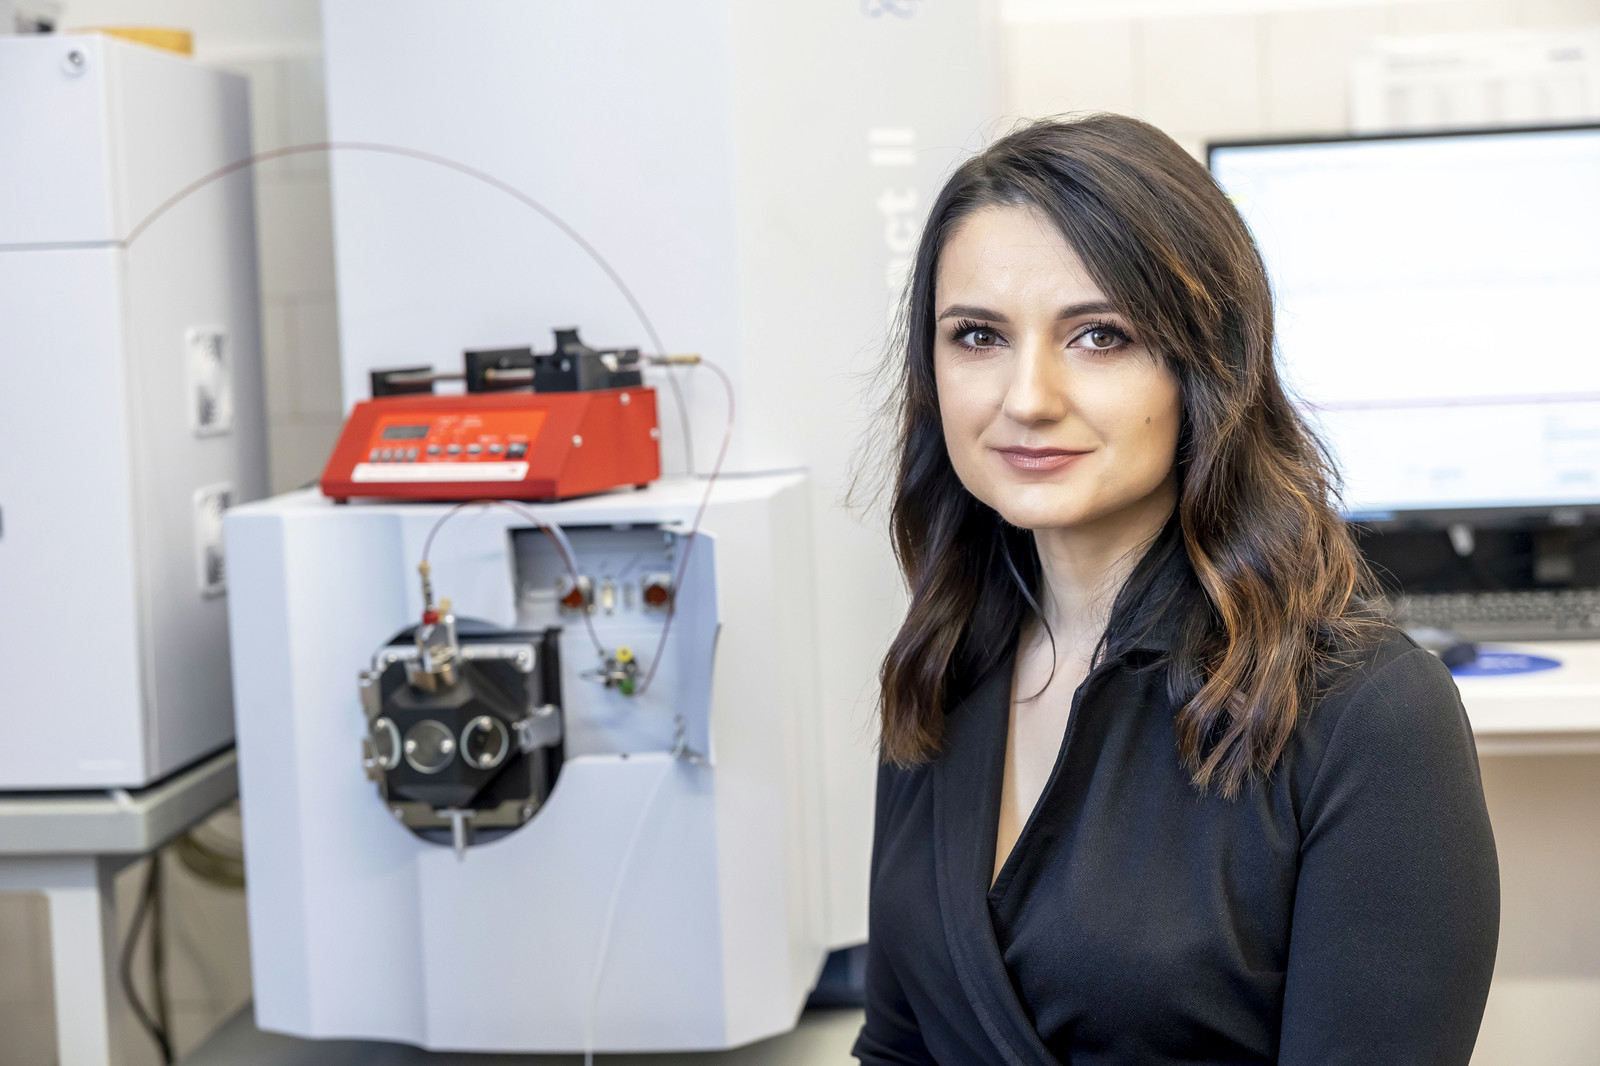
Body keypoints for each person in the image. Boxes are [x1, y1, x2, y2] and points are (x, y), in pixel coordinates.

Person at [852, 115, 1499, 1066]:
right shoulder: (943, 665)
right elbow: (899, 1047)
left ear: (1205, 365)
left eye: (1099, 336)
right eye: (978, 336)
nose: (1026, 398)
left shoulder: (1368, 715)